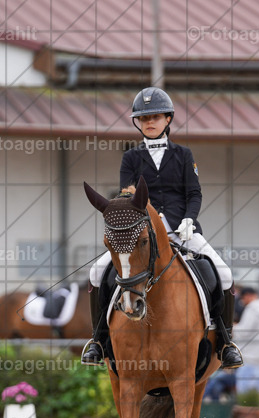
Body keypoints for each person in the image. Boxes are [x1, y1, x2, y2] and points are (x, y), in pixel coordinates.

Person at [82, 86, 242, 369]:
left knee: (225, 274)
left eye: (155, 117)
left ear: (168, 119)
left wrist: (189, 219)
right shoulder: (131, 158)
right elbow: (127, 196)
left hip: (182, 230)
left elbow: (194, 193)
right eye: (144, 118)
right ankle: (98, 340)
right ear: (138, 123)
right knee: (96, 273)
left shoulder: (183, 154)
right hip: (141, 234)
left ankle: (226, 342)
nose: (149, 122)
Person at [232, 287, 259, 394]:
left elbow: (245, 331)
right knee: (256, 390)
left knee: (245, 391)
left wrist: (233, 327)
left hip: (250, 355)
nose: (242, 302)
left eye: (243, 298)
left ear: (248, 295)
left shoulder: (253, 309)